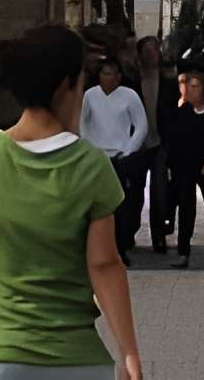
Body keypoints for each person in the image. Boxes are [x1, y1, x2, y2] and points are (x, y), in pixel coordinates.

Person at [0, 25, 144, 380]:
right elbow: (104, 265)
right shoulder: (91, 165)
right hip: (76, 361)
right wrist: (128, 351)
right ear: (66, 87)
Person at [76, 55, 151, 262]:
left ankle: (120, 247)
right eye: (105, 73)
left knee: (120, 205)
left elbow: (141, 126)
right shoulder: (90, 96)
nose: (109, 77)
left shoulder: (129, 96)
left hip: (119, 157)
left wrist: (127, 151)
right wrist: (88, 147)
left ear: (119, 76)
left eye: (113, 73)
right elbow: (82, 122)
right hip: (96, 156)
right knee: (93, 205)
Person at [155, 71, 204, 266]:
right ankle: (183, 251)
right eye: (190, 87)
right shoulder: (180, 115)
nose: (193, 91)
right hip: (185, 167)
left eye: (197, 87)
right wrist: (174, 166)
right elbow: (174, 142)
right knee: (187, 208)